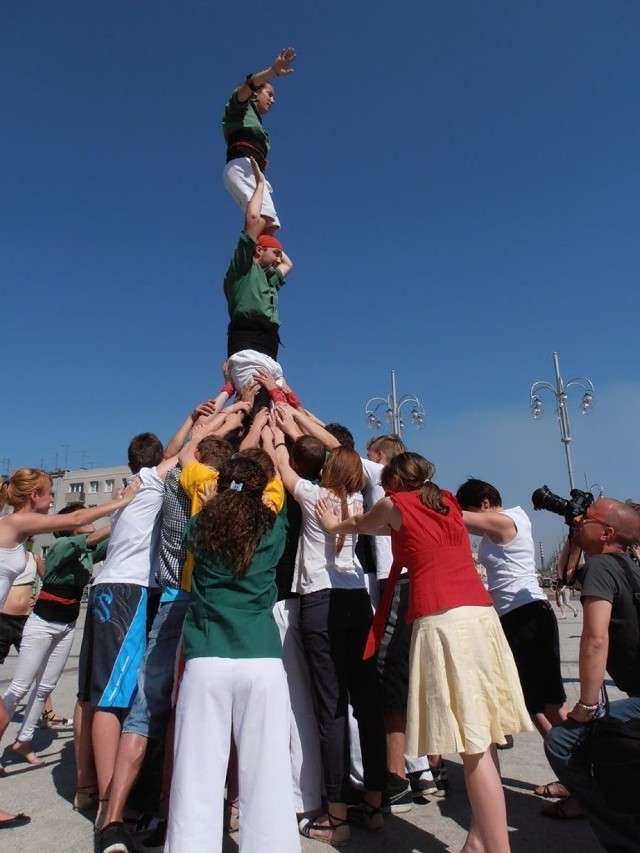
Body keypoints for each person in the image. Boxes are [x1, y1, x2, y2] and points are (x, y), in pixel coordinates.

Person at [317, 453, 532, 853]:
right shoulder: (445, 500)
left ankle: (497, 848)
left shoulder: (394, 504)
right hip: (481, 617)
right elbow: (394, 533)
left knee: (473, 746)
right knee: (482, 737)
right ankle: (479, 840)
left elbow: (362, 525)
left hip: (445, 620)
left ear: (396, 480)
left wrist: (332, 523)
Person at [165, 455, 300, 853]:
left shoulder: (201, 525)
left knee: (197, 771)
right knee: (267, 771)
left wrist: (208, 505)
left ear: (220, 485)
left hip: (207, 656)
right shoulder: (273, 529)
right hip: (261, 657)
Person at [0, 467, 138, 829]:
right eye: (47, 495)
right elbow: (79, 520)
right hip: (40, 622)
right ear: (34, 497)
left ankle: (24, 739)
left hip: (62, 622)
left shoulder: (20, 529)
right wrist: (122, 501)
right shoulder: (29, 529)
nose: (50, 501)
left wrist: (127, 514)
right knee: (15, 692)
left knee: (35, 689)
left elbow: (102, 536)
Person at [274, 436, 386, 847]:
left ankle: (336, 813)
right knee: (367, 703)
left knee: (331, 706)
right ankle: (374, 804)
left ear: (327, 470)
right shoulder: (358, 503)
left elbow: (284, 467)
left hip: (321, 601)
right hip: (357, 598)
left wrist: (276, 430)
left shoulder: (312, 494)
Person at [544, 498, 640, 848]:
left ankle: (626, 839)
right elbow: (565, 576)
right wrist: (574, 531)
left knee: (563, 741)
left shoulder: (602, 568)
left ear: (607, 533)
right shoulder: (626, 564)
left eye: (588, 518)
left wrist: (585, 704)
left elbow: (595, 638)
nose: (581, 519)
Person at [456, 479, 568, 737]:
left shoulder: (508, 520)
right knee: (528, 700)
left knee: (551, 702)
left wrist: (425, 497)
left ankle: (581, 768)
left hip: (527, 613)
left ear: (485, 504)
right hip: (511, 616)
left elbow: (455, 516)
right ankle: (563, 761)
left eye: (473, 511)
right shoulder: (498, 526)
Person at [1, 505, 110, 767]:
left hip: (67, 624)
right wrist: (120, 515)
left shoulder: (85, 553)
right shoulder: (62, 544)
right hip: (42, 623)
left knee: (45, 687)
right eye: (85, 515)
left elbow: (106, 543)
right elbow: (93, 539)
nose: (91, 519)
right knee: (19, 687)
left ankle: (23, 740)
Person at [224, 157, 293, 397]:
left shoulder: (268, 280)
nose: (278, 259)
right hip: (248, 349)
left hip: (269, 351)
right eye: (275, 253)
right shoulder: (243, 270)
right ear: (258, 250)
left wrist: (272, 238)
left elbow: (288, 264)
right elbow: (253, 220)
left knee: (278, 411)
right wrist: (259, 185)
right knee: (260, 409)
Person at [222, 48, 297, 234]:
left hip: (255, 172)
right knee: (261, 218)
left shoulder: (257, 122)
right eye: (269, 94)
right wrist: (272, 71)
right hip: (242, 165)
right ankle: (244, 258)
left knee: (269, 226)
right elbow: (249, 86)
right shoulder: (238, 108)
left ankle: (262, 260)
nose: (272, 100)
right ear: (255, 94)